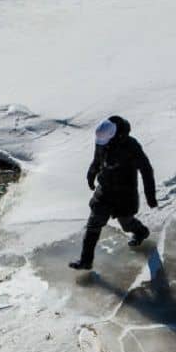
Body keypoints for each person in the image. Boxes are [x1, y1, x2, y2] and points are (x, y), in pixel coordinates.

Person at [69, 115, 157, 271]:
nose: (102, 145)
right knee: (93, 224)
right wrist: (91, 173)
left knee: (126, 223)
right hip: (105, 190)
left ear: (115, 135)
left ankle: (141, 232)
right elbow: (97, 159)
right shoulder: (103, 139)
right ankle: (86, 261)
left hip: (125, 193)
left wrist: (150, 196)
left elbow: (146, 170)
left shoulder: (131, 146)